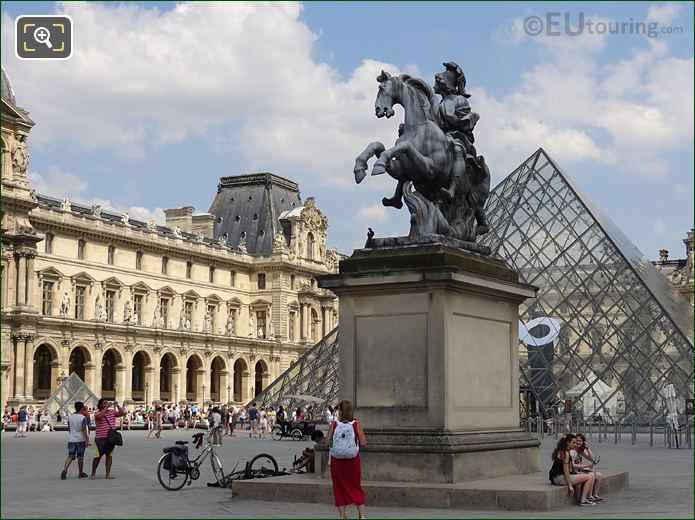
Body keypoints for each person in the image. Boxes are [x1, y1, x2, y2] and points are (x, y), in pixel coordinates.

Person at [326, 400, 367, 519]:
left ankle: (343, 516)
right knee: (355, 486)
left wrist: (336, 443)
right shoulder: (356, 425)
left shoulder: (333, 425)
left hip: (337, 461)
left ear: (339, 411)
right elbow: (363, 443)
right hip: (352, 461)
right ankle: (361, 515)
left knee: (339, 488)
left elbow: (327, 443)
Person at [548, 434, 595, 505]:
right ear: (568, 442)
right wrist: (570, 486)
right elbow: (566, 471)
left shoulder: (562, 451)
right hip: (559, 478)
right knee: (589, 477)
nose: (575, 445)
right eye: (574, 443)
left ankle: (585, 498)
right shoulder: (565, 453)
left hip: (556, 477)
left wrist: (577, 473)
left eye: (576, 443)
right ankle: (583, 500)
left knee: (586, 475)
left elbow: (567, 469)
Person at [90, 398, 127, 479]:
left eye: (107, 403)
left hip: (110, 438)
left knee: (109, 456)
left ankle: (108, 474)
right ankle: (93, 473)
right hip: (100, 438)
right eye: (104, 403)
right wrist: (106, 408)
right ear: (100, 405)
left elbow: (122, 414)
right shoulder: (97, 413)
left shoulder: (112, 412)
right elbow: (100, 417)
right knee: (98, 456)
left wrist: (117, 406)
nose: (106, 404)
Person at [61, 401, 90, 479]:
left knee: (70, 455)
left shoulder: (70, 417)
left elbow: (69, 428)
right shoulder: (83, 418)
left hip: (72, 439)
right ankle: (80, 473)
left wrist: (71, 435)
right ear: (82, 408)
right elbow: (84, 430)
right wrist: (87, 440)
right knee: (80, 457)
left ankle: (64, 470)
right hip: (80, 439)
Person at [572, 433, 604, 502]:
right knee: (591, 475)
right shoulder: (572, 451)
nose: (578, 442)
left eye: (580, 441)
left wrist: (588, 448)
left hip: (579, 470)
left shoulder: (581, 450)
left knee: (599, 475)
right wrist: (584, 467)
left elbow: (592, 459)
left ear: (583, 442)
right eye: (577, 440)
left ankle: (594, 495)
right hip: (574, 471)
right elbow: (572, 465)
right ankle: (589, 496)